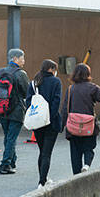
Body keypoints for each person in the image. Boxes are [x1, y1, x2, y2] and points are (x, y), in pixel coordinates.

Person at [60, 63, 100, 175]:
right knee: (89, 148)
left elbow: (65, 108)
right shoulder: (93, 88)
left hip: (73, 126)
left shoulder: (71, 89)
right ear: (88, 74)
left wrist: (62, 125)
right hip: (88, 125)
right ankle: (87, 164)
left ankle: (76, 176)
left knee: (75, 153)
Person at [0, 48, 29, 175]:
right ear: (15, 59)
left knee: (8, 137)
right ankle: (5, 164)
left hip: (1, 110)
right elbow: (26, 92)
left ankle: (12, 161)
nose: (24, 61)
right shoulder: (21, 74)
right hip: (16, 111)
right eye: (22, 58)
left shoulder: (0, 72)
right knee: (11, 138)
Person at [25, 59, 62, 189]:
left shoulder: (34, 83)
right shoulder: (56, 82)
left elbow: (28, 102)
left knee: (42, 151)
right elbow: (56, 102)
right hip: (50, 123)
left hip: (37, 122)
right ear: (51, 69)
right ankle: (42, 182)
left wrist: (38, 116)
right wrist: (50, 118)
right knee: (47, 153)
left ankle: (43, 178)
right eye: (55, 69)